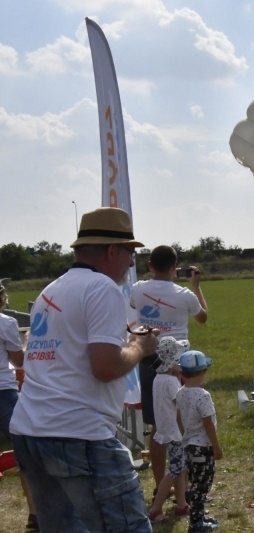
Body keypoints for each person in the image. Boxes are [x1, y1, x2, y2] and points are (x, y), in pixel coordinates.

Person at [10, 207, 159, 532]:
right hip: (78, 433)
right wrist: (139, 346)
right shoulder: (103, 289)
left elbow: (38, 353)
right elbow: (105, 367)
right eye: (130, 253)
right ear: (111, 251)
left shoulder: (51, 289)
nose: (132, 262)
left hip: (29, 431)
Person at [130, 244, 208, 491]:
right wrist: (197, 286)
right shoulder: (185, 294)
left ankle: (160, 483)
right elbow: (202, 317)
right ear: (176, 268)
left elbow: (134, 305)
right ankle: (183, 485)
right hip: (180, 363)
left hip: (149, 357)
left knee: (157, 426)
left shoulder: (138, 289)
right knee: (185, 422)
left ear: (150, 266)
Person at [0, 283, 37, 531]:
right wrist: (28, 344)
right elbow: (18, 360)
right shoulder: (6, 322)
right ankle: (34, 513)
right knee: (23, 451)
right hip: (4, 389)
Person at [177, 350, 222, 533]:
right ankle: (196, 524)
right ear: (204, 371)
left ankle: (199, 516)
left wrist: (184, 435)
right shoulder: (203, 396)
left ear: (181, 374)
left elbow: (179, 417)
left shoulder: (180, 393)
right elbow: (208, 423)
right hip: (203, 447)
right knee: (202, 486)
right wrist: (216, 446)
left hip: (188, 445)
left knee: (195, 481)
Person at [148, 336, 190, 524]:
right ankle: (156, 509)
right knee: (175, 469)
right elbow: (180, 409)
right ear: (172, 361)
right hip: (176, 432)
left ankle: (181, 505)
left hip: (165, 429)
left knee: (179, 466)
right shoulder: (172, 382)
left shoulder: (158, 378)